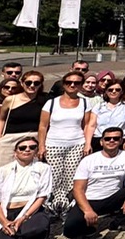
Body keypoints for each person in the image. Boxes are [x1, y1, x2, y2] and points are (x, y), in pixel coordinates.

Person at [0, 134, 53, 239]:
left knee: (38, 226)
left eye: (32, 147)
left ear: (36, 151)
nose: (27, 150)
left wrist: (23, 218)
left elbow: (42, 196)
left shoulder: (43, 169)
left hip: (30, 212)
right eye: (22, 148)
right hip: (6, 213)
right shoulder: (2, 171)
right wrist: (5, 222)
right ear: (15, 152)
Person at [64, 127, 125, 237]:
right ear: (101, 142)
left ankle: (119, 222)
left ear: (121, 141)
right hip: (91, 200)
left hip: (113, 197)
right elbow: (78, 189)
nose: (111, 141)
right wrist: (88, 211)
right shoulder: (88, 160)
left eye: (116, 138)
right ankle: (90, 228)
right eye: (107, 139)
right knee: (70, 230)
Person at [38, 71, 92, 215]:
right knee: (54, 178)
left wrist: (87, 144)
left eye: (76, 83)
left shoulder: (85, 102)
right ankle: (52, 207)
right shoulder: (52, 103)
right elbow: (43, 126)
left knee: (71, 178)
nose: (72, 85)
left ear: (81, 85)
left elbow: (86, 125)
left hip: (76, 144)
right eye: (69, 82)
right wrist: (41, 145)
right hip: (53, 143)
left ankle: (67, 208)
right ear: (64, 84)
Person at [0, 70, 47, 167]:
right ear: (22, 83)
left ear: (41, 85)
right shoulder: (11, 100)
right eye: (28, 82)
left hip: (34, 140)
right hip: (10, 139)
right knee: (5, 171)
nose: (32, 85)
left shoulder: (45, 100)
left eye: (36, 83)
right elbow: (2, 119)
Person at [87, 80, 125, 154]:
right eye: (110, 89)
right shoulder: (99, 106)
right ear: (106, 92)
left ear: (122, 91)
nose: (114, 91)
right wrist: (88, 144)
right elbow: (91, 125)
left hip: (120, 141)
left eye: (117, 90)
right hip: (99, 140)